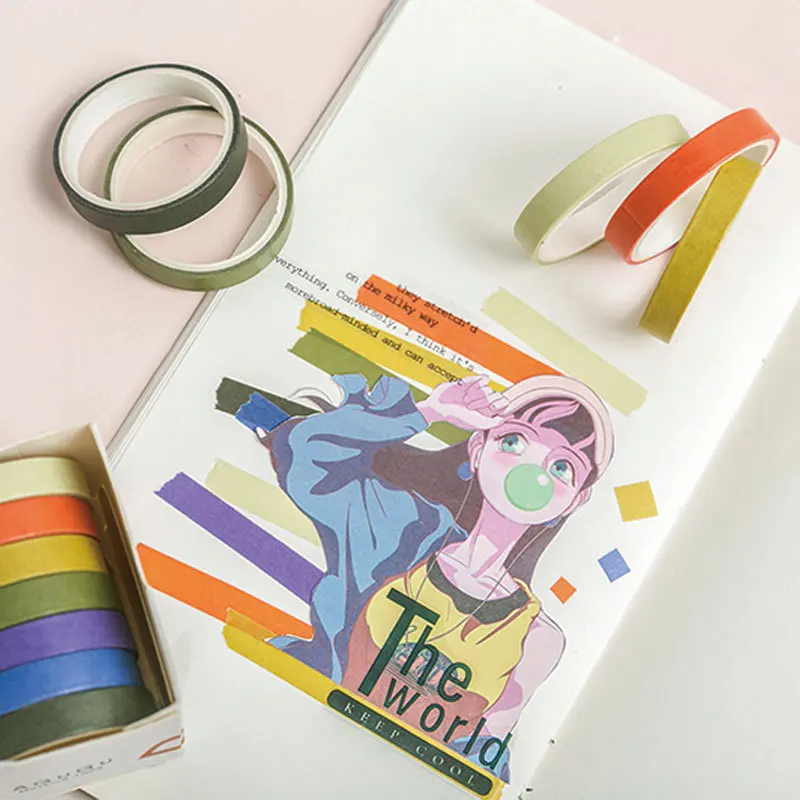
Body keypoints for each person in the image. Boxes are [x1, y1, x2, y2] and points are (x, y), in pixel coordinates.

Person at [251, 371, 614, 779]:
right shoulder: (398, 528)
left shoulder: (537, 638)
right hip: (282, 722)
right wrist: (429, 411)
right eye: (514, 442)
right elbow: (305, 457)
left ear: (577, 499)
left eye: (562, 467)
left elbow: (481, 761)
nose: (533, 474)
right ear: (478, 448)